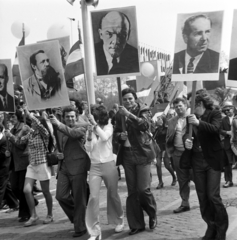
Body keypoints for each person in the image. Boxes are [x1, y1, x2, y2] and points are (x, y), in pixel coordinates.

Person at [183, 91, 228, 240]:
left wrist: (198, 123)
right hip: (196, 161)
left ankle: (221, 230)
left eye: (190, 104)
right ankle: (211, 226)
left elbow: (215, 129)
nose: (188, 107)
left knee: (213, 196)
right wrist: (187, 142)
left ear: (199, 104)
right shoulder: (189, 118)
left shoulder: (214, 113)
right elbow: (186, 135)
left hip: (212, 160)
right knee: (202, 197)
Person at [113, 88, 157, 236]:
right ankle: (137, 224)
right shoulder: (119, 114)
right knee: (132, 192)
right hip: (127, 156)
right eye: (125, 99)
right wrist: (120, 136)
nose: (128, 102)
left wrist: (129, 115)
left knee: (143, 189)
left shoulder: (143, 109)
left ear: (135, 99)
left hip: (142, 154)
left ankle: (152, 213)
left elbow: (145, 125)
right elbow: (116, 133)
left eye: (130, 99)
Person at [49, 106, 90, 238]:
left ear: (76, 116)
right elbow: (57, 147)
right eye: (67, 116)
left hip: (78, 166)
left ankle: (80, 226)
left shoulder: (83, 125)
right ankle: (80, 218)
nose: (70, 118)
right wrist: (57, 154)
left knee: (79, 198)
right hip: (64, 167)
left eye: (72, 116)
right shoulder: (59, 127)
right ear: (64, 117)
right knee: (61, 196)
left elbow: (74, 134)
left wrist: (58, 124)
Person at [85, 105, 124, 240]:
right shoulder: (90, 128)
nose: (92, 120)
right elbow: (88, 148)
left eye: (95, 117)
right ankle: (94, 231)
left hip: (108, 163)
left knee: (113, 195)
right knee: (93, 197)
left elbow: (105, 138)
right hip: (94, 166)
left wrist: (95, 125)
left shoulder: (108, 126)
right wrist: (89, 134)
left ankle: (119, 220)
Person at [10, 107, 54, 227]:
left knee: (45, 191)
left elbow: (40, 125)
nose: (33, 124)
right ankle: (33, 215)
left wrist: (29, 114)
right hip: (32, 165)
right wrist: (19, 132)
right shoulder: (30, 133)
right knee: (26, 190)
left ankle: (50, 214)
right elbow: (18, 142)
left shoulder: (44, 133)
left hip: (43, 163)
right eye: (32, 122)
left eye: (34, 122)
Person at [166, 97, 192, 214]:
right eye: (176, 107)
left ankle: (206, 201)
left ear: (186, 105)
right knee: (182, 180)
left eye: (180, 106)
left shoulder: (192, 118)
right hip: (177, 153)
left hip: (191, 154)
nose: (178, 108)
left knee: (197, 177)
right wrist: (170, 151)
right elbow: (168, 136)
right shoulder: (171, 121)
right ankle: (184, 202)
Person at [5, 110, 32, 222]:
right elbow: (12, 145)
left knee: (21, 188)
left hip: (23, 161)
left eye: (13, 116)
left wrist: (10, 136)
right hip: (14, 163)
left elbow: (21, 144)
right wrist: (8, 150)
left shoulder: (24, 128)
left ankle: (25, 213)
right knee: (15, 187)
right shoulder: (12, 129)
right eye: (10, 117)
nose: (11, 119)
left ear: (19, 117)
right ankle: (32, 200)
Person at [95, 11, 139, 76]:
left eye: (122, 35)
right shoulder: (92, 56)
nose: (115, 41)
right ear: (101, 34)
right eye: (109, 34)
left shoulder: (136, 57)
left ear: (128, 35)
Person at [154, 114, 177, 189]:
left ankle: (174, 177)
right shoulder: (157, 130)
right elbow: (153, 138)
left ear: (163, 120)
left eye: (160, 119)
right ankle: (160, 182)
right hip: (158, 148)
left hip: (165, 148)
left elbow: (170, 138)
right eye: (158, 119)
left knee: (167, 165)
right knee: (158, 165)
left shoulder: (167, 129)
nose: (158, 120)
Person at [220, 101, 235, 188]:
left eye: (229, 109)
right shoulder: (223, 120)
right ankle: (228, 181)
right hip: (227, 144)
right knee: (228, 163)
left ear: (233, 108)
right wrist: (227, 132)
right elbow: (219, 130)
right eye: (225, 110)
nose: (227, 111)